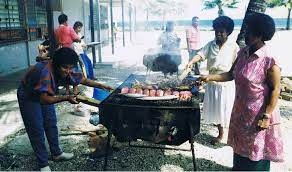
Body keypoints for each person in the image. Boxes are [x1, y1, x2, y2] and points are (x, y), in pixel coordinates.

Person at [200, 13, 284, 171]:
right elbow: (230, 74)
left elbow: (275, 89)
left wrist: (266, 116)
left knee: (255, 151)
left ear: (259, 35)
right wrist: (208, 77)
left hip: (258, 115)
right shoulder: (243, 53)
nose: (245, 35)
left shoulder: (269, 59)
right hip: (240, 112)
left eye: (249, 32)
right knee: (240, 148)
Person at [17, 47, 113, 171]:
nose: (68, 71)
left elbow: (81, 79)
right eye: (65, 68)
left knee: (51, 123)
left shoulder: (63, 68)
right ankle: (43, 164)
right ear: (56, 64)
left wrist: (101, 85)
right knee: (37, 129)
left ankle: (57, 153)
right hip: (29, 96)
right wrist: (66, 97)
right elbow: (44, 99)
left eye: (70, 67)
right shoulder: (45, 72)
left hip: (45, 94)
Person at [186, 16, 239, 145]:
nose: (218, 34)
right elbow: (201, 54)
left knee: (227, 110)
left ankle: (232, 136)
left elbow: (236, 67)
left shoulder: (234, 46)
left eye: (222, 32)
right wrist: (191, 62)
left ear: (228, 32)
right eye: (216, 31)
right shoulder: (211, 44)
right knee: (216, 111)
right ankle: (220, 134)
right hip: (211, 82)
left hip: (226, 83)